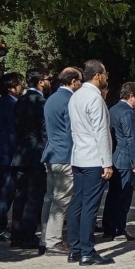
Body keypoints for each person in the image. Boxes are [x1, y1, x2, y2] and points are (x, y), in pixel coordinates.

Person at [66, 60, 114, 266]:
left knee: (77, 203)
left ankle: (75, 248)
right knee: (89, 207)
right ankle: (87, 251)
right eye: (105, 74)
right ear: (97, 76)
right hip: (94, 159)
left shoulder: (75, 96)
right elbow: (101, 133)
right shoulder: (95, 99)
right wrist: (107, 162)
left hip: (78, 157)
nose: (106, 77)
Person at [40, 67, 83, 254]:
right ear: (73, 81)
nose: (81, 84)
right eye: (80, 81)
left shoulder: (51, 99)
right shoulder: (70, 100)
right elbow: (72, 131)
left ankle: (45, 238)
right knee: (61, 200)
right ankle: (53, 241)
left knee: (50, 198)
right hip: (65, 155)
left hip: (51, 154)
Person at [10, 68, 51, 249]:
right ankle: (28, 236)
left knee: (20, 195)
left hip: (20, 154)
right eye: (48, 79)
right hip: (36, 155)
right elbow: (45, 130)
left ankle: (16, 235)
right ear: (41, 81)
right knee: (34, 196)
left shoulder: (20, 101)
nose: (50, 82)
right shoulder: (40, 102)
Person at [103, 81, 135, 243]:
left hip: (114, 157)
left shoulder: (112, 109)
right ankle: (119, 228)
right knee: (123, 197)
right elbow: (130, 138)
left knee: (113, 195)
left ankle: (108, 227)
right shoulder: (127, 113)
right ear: (132, 96)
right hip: (125, 160)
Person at [0, 71, 22, 240]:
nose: (21, 86)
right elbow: (14, 131)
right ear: (10, 88)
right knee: (4, 193)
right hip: (8, 156)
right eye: (18, 83)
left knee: (1, 192)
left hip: (2, 155)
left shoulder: (2, 103)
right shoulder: (10, 104)